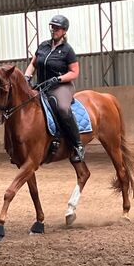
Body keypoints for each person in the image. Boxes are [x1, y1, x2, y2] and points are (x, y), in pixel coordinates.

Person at [24, 14, 85, 162]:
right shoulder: (43, 46)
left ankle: (77, 145)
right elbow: (33, 63)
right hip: (42, 86)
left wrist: (59, 78)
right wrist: (26, 76)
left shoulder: (67, 50)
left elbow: (74, 72)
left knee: (62, 109)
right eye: (52, 27)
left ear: (64, 31)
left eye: (57, 28)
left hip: (61, 86)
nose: (54, 30)